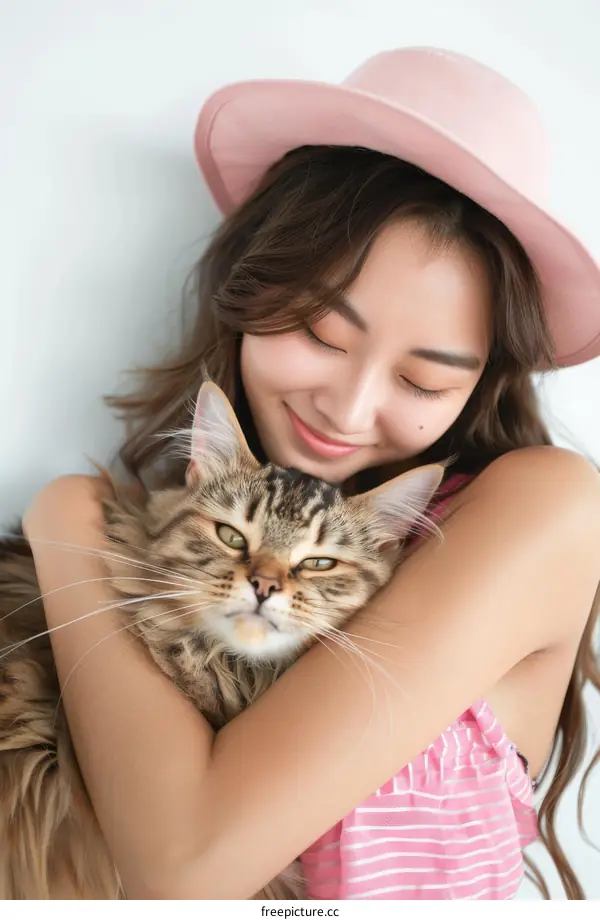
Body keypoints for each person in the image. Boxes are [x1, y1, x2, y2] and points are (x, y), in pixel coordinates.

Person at [23, 47, 600, 900]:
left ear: (481, 382)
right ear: (253, 289)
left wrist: (66, 522)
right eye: (324, 336)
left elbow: (183, 871)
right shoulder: (186, 539)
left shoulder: (544, 507)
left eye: (423, 380)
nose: (350, 408)